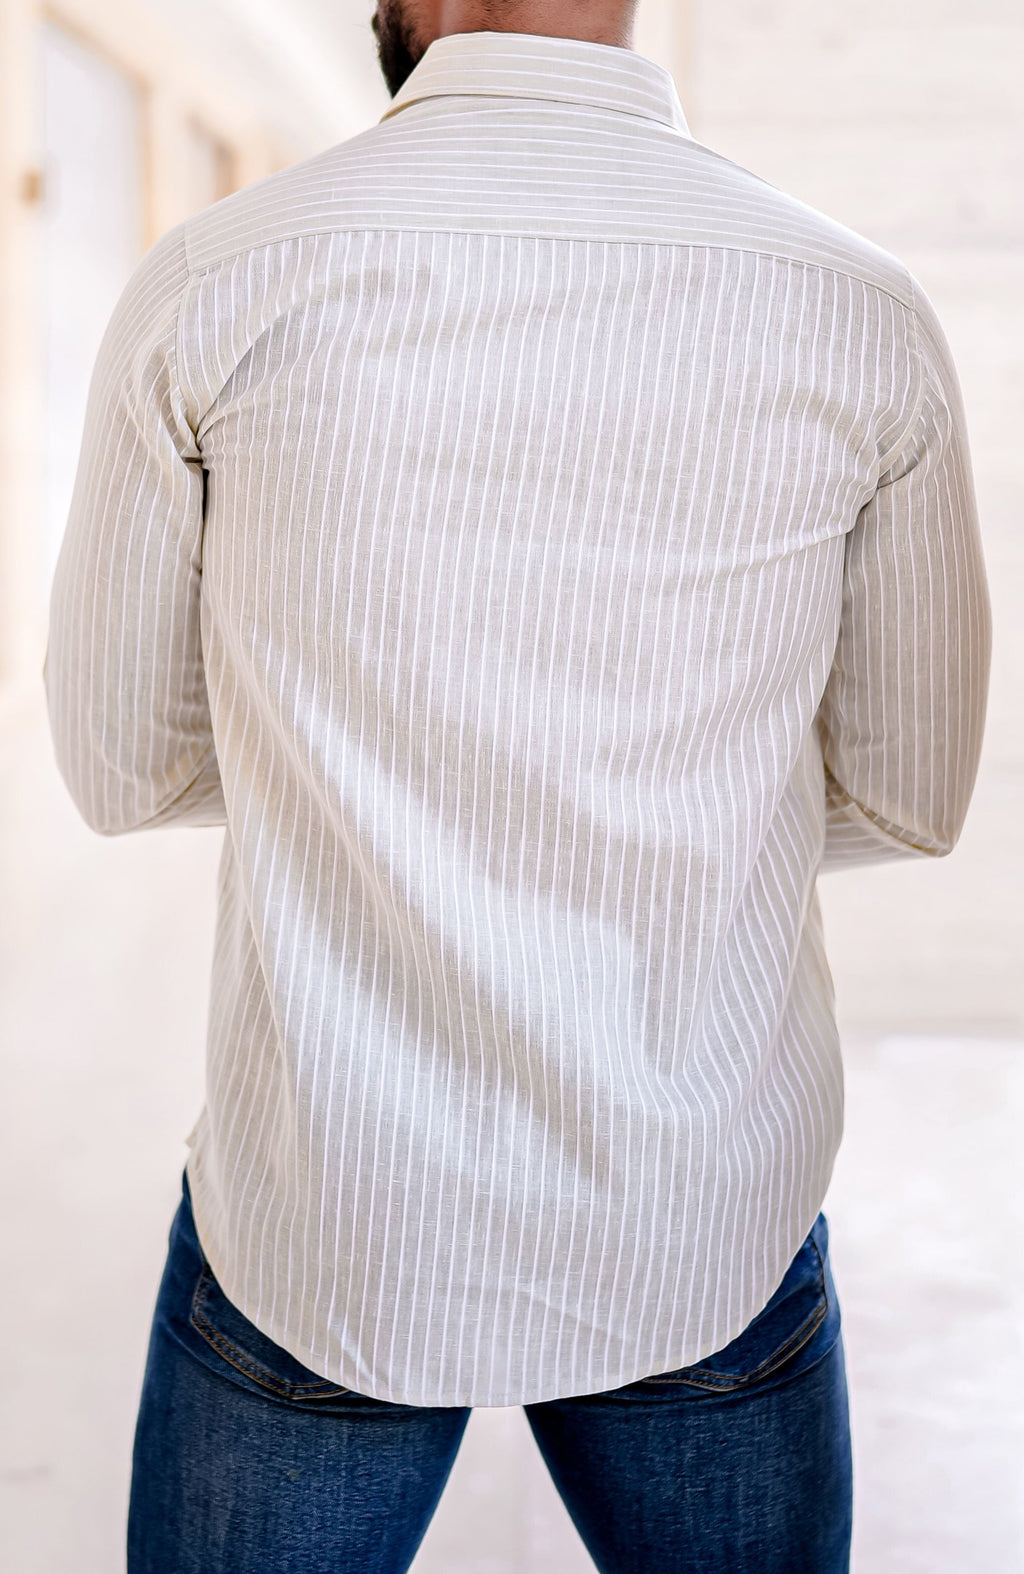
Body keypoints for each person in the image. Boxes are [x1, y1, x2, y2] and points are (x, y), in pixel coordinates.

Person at [45, 0, 991, 1569]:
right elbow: (909, 790)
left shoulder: (218, 282)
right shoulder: (855, 309)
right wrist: (663, 807)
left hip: (331, 1217)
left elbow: (121, 763)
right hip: (700, 1215)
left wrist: (361, 770)